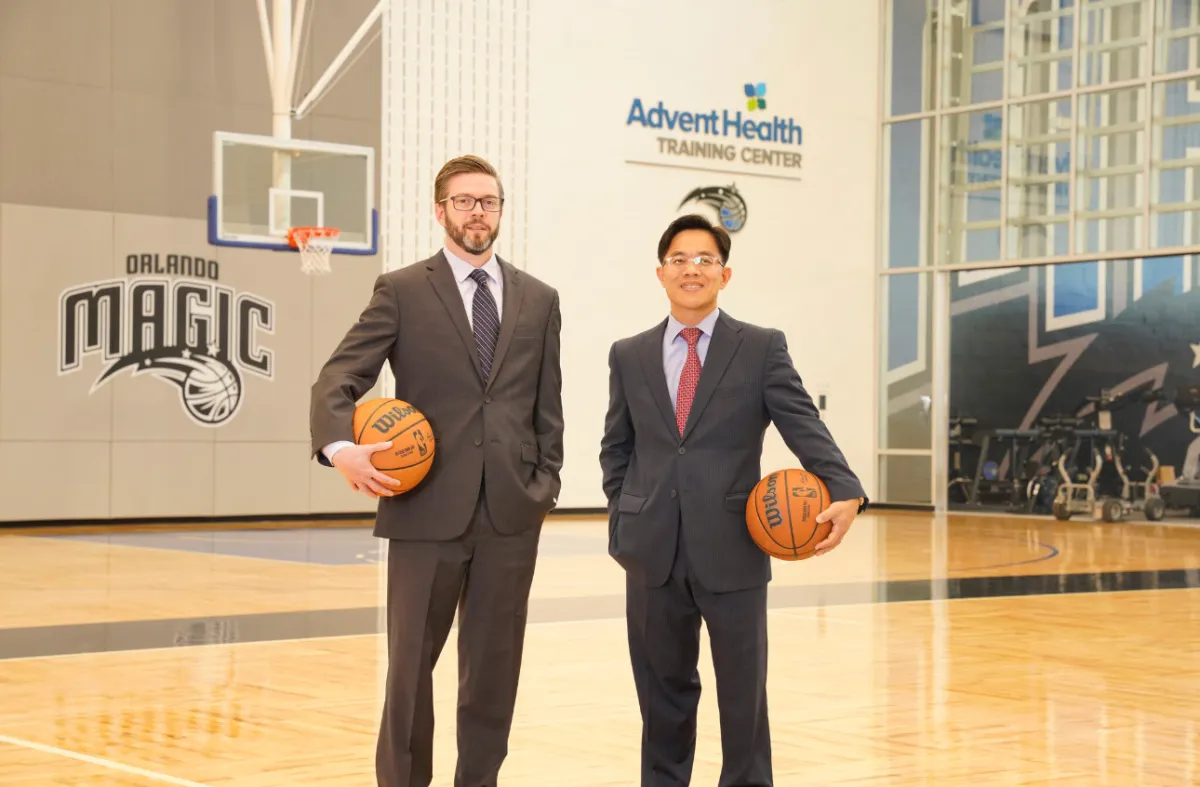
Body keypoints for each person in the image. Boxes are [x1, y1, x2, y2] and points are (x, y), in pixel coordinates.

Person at [309, 154, 564, 787]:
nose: (478, 212)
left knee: (494, 671)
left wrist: (544, 486)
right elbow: (340, 376)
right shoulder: (402, 290)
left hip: (511, 513)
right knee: (409, 671)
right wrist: (339, 447)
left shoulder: (539, 298)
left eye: (489, 201)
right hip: (424, 507)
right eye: (465, 201)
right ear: (440, 209)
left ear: (500, 210)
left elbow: (547, 406)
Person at [598, 213, 866, 786]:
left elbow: (801, 422)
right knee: (661, 696)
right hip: (651, 551)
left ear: (725, 274)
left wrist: (844, 486)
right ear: (661, 273)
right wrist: (624, 518)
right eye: (679, 260)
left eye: (705, 260)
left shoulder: (761, 347)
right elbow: (616, 446)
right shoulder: (629, 353)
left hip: (733, 546)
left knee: (743, 697)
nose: (691, 269)